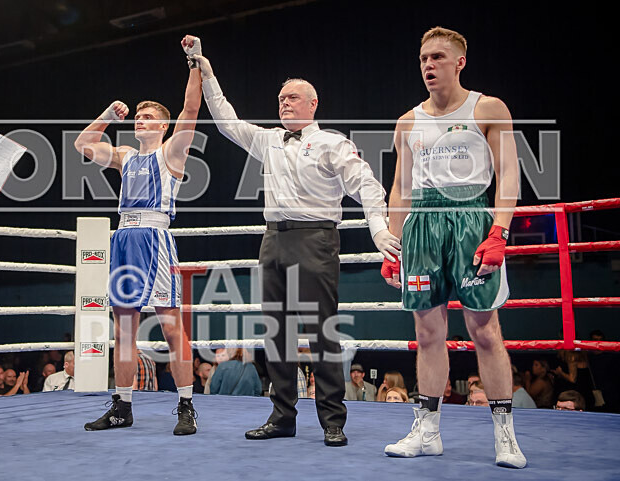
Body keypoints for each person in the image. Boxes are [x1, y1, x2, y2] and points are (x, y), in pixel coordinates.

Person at [185, 34, 397, 448]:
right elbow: (226, 120)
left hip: (316, 239)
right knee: (276, 333)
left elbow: (367, 185)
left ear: (313, 104)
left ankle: (332, 420)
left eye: (293, 97)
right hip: (273, 241)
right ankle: (282, 416)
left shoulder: (333, 142)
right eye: (281, 98)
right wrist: (205, 70)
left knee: (321, 332)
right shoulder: (268, 139)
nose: (284, 103)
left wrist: (378, 229)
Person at [380, 27, 526, 468]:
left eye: (438, 57)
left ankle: (505, 435)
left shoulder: (487, 108)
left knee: (485, 331)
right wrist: (393, 246)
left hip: (471, 220)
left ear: (460, 62)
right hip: (422, 226)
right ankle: (427, 432)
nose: (428, 65)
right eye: (424, 58)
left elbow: (508, 173)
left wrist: (499, 232)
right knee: (427, 333)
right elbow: (401, 187)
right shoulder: (407, 121)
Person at [76, 37, 202, 436]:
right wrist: (106, 115)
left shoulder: (172, 152)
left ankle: (186, 406)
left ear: (162, 126)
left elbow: (191, 110)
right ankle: (122, 407)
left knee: (171, 328)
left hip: (155, 238)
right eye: (139, 116)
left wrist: (194, 62)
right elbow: (82, 144)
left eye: (148, 117)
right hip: (124, 239)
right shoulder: (125, 156)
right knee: (124, 331)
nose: (140, 120)